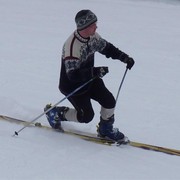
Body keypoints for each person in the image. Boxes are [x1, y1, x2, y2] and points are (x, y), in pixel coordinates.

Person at [44, 9, 134, 142]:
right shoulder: (71, 47)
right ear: (85, 27)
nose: (96, 26)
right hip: (72, 86)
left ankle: (105, 130)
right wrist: (94, 72)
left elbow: (107, 48)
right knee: (86, 116)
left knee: (109, 101)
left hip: (90, 79)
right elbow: (72, 76)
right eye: (93, 24)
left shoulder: (92, 37)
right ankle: (56, 113)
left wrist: (124, 57)